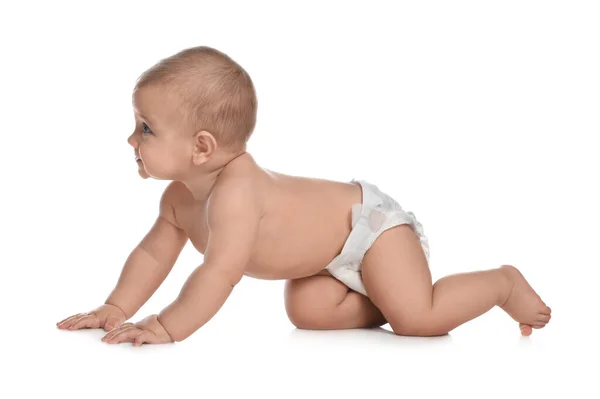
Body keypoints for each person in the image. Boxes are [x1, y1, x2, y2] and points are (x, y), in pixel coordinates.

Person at [57, 46, 551, 346]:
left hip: (371, 228)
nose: (130, 140)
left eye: (146, 129)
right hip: (325, 262)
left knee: (417, 320)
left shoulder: (237, 194)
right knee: (308, 312)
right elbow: (151, 256)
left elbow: (219, 273)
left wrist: (167, 326)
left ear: (201, 147)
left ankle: (502, 285)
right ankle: (386, 295)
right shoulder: (179, 201)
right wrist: (116, 307)